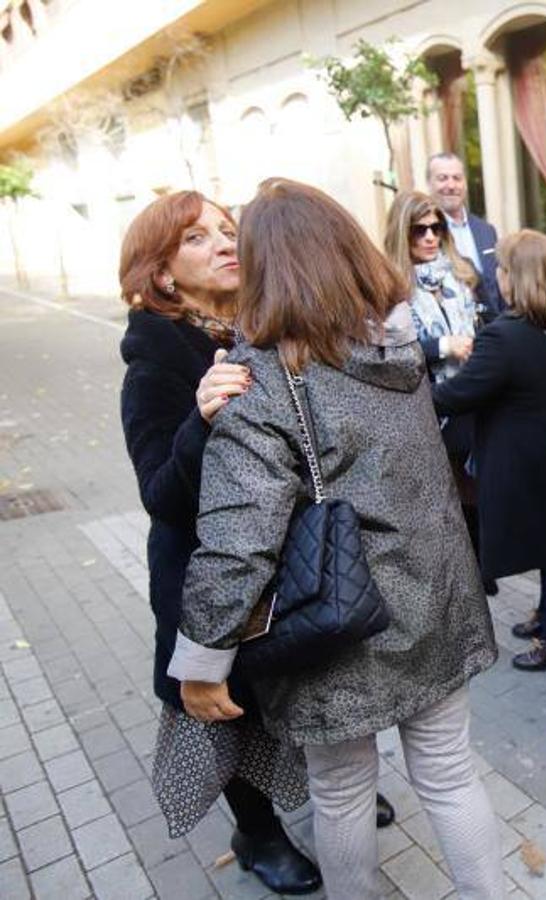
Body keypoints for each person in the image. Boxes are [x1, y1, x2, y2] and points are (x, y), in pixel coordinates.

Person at [168, 179, 502, 899]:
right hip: (431, 595)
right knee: (449, 773)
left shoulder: (257, 381)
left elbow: (237, 541)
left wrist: (201, 659)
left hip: (338, 619)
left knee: (343, 789)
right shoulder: (396, 346)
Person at [117, 191, 395, 897]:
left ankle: (337, 791)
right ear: (164, 275)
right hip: (208, 569)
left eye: (227, 229)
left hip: (285, 554)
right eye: (196, 238)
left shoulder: (262, 323)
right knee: (229, 709)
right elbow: (159, 494)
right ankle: (257, 832)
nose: (222, 242)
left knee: (292, 680)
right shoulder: (156, 360)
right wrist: (198, 419)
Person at [434, 230, 546, 672]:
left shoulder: (504, 336)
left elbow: (458, 395)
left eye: (500, 268)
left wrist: (416, 395)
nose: (496, 276)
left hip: (527, 463)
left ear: (513, 277)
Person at [382, 190, 496, 593]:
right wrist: (442, 347)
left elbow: (491, 323)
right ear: (403, 232)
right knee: (445, 492)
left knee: (476, 484)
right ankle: (462, 569)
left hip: (472, 394)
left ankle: (484, 566)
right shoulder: (390, 287)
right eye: (420, 229)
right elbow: (386, 352)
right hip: (429, 402)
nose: (430, 237)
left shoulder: (463, 273)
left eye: (437, 227)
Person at [428, 152, 503, 318]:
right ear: (429, 184)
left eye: (457, 178)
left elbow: (498, 288)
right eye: (442, 178)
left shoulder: (486, 230)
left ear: (465, 184)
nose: (451, 185)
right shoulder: (426, 234)